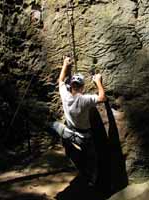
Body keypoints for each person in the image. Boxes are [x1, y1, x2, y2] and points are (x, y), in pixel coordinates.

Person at [49, 56, 107, 186]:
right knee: (92, 158)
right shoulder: (85, 100)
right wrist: (98, 81)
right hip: (83, 137)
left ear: (71, 86)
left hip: (69, 133)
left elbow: (60, 81)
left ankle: (65, 142)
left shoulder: (65, 95)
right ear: (82, 87)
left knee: (52, 125)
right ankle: (92, 180)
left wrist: (65, 64)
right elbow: (102, 98)